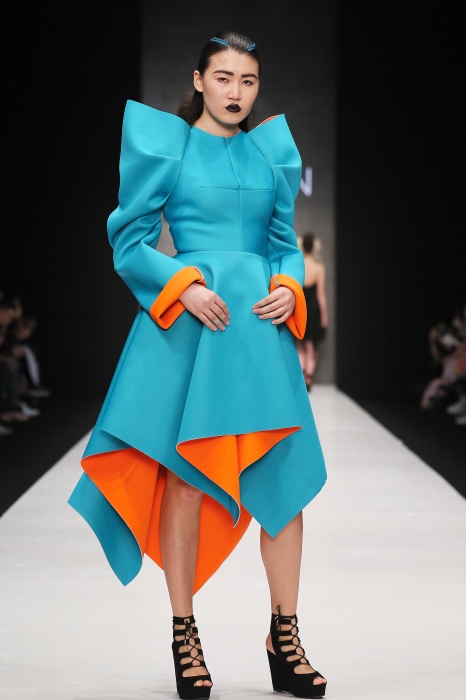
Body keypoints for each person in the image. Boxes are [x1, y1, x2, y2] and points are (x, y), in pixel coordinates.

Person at [68, 30, 328, 700]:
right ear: (198, 80)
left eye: (248, 80)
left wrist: (289, 285)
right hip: (195, 325)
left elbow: (282, 244)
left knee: (284, 481)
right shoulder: (170, 146)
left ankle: (285, 636)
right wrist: (183, 286)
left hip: (260, 329)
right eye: (223, 78)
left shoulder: (270, 154)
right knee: (186, 479)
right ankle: (185, 633)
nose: (236, 92)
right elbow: (129, 240)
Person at [296, 232, 328, 391]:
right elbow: (320, 294)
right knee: (310, 346)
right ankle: (308, 377)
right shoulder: (318, 267)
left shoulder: (298, 265)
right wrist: (324, 316)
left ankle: (302, 377)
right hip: (313, 309)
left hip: (300, 305)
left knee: (300, 343)